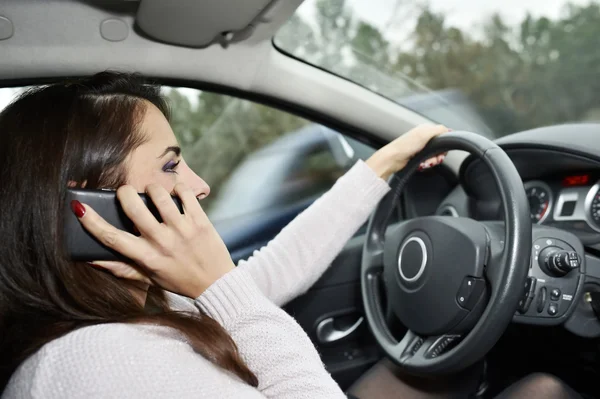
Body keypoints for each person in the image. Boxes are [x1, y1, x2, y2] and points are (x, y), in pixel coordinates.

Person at [0, 72, 580, 398]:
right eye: (173, 165)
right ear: (86, 207)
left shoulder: (116, 325)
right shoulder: (107, 364)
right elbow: (240, 303)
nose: (200, 187)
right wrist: (220, 283)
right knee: (545, 392)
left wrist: (383, 165)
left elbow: (274, 270)